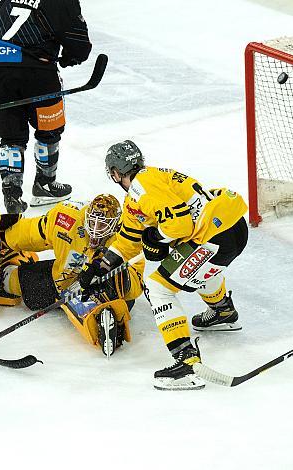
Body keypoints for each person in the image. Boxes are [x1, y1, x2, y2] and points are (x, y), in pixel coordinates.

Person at [77, 140, 248, 390]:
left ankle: (187, 362)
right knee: (197, 266)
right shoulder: (149, 182)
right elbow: (129, 239)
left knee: (157, 287)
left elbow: (179, 226)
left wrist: (156, 237)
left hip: (213, 236)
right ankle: (222, 310)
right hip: (231, 228)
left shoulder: (141, 187)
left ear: (114, 172)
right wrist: (101, 266)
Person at [0, 194, 144, 357]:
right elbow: (34, 231)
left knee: (120, 297)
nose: (95, 231)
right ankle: (7, 273)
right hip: (63, 281)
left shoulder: (127, 237)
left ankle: (105, 320)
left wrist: (121, 278)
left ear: (115, 225)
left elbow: (136, 278)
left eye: (102, 225)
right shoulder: (67, 219)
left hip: (101, 288)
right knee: (31, 292)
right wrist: (1, 236)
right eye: (92, 223)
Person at [0, 0, 92, 213]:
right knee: (49, 129)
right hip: (37, 72)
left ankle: (12, 194)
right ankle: (44, 184)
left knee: (11, 137)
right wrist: (71, 58)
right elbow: (78, 41)